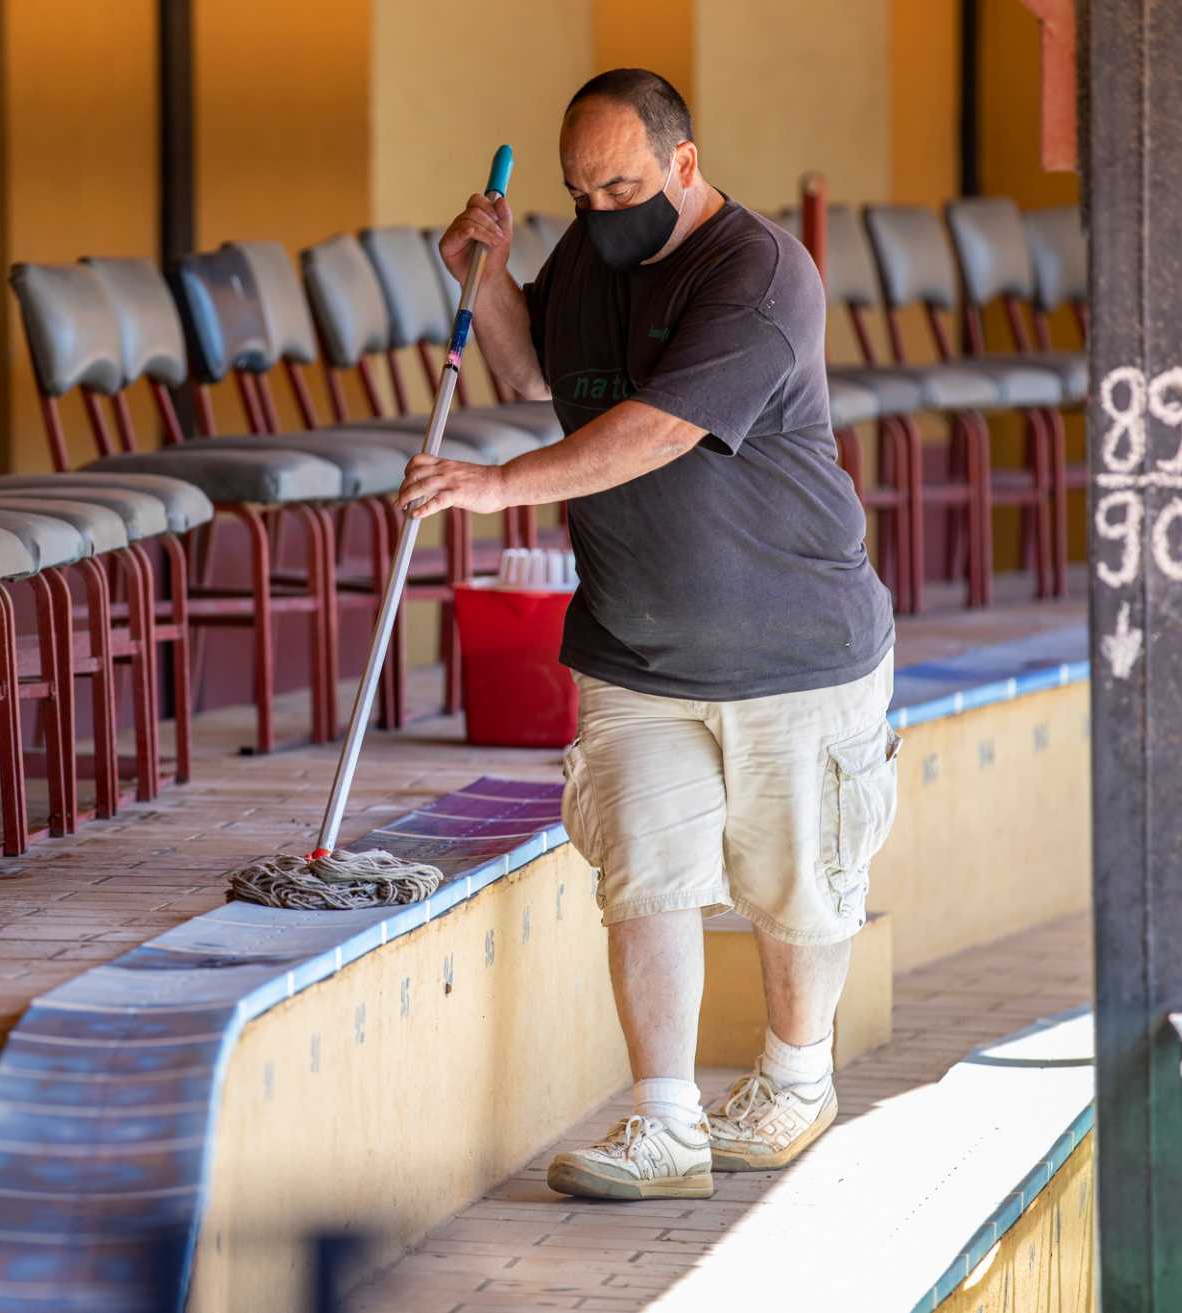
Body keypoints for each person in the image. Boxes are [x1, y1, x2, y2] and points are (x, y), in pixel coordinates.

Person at [400, 68, 900, 1202]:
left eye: (622, 184)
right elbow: (533, 373)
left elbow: (660, 427)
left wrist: (497, 486)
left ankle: (794, 1076)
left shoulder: (761, 275)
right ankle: (663, 1120)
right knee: (649, 878)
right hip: (636, 642)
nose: (601, 209)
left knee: (799, 885)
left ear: (684, 163)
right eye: (580, 192)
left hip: (794, 645)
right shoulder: (590, 252)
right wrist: (486, 278)